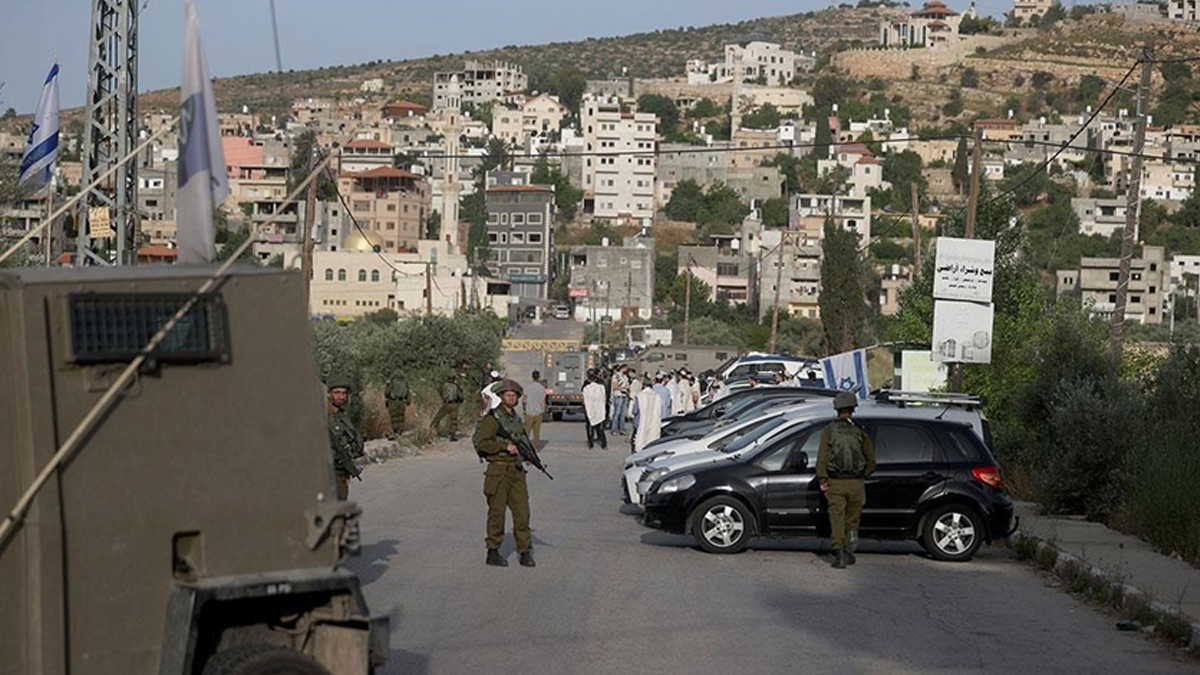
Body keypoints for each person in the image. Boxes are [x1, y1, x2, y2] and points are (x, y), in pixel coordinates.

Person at [473, 379, 536, 568]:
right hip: (498, 470)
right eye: (508, 395)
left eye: (514, 395)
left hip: (516, 471)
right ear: (501, 397)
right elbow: (482, 443)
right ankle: (493, 551)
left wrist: (528, 455)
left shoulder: (515, 419)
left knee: (522, 513)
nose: (511, 398)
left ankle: (524, 551)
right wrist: (504, 446)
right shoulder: (492, 419)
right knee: (497, 513)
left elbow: (522, 439)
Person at [816, 391, 877, 569]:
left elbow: (822, 458)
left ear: (837, 409)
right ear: (852, 409)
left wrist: (822, 479)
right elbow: (871, 461)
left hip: (836, 482)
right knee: (852, 520)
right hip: (856, 483)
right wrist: (864, 475)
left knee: (837, 518)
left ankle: (840, 554)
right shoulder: (859, 431)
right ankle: (851, 551)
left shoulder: (829, 431)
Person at [325, 377, 364, 500]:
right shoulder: (322, 414)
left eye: (344, 393)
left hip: (341, 471)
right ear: (329, 394)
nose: (341, 396)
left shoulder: (343, 415)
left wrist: (347, 473)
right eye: (337, 393)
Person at [633, 375, 664, 452]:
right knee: (651, 439)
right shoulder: (657, 396)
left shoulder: (640, 396)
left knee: (639, 441)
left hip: (640, 422)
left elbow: (634, 411)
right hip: (654, 423)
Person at [432, 372, 465, 441]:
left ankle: (431, 430)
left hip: (446, 404)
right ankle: (452, 435)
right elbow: (461, 396)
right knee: (454, 420)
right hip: (454, 405)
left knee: (438, 417)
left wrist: (443, 398)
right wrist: (460, 401)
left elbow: (440, 391)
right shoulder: (456, 386)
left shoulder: (444, 385)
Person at [583, 369, 608, 450]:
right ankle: (604, 444)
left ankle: (590, 444)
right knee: (600, 426)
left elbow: (584, 397)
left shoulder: (586, 386)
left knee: (590, 425)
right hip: (600, 407)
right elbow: (604, 396)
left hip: (589, 407)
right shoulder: (601, 385)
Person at [523, 370, 548, 448]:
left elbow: (524, 400)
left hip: (529, 412)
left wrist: (524, 410)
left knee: (527, 431)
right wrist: (543, 411)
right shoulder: (542, 388)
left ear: (532, 377)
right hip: (538, 413)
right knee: (536, 432)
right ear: (539, 377)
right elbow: (543, 401)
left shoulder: (528, 387)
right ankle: (536, 447)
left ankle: (525, 446)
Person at [385, 371, 410, 439]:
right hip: (402, 402)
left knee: (394, 417)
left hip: (393, 401)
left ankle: (395, 432)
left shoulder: (392, 381)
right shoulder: (405, 382)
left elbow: (387, 393)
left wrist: (387, 386)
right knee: (401, 417)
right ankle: (400, 432)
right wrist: (408, 401)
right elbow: (408, 392)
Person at [610, 365, 631, 436]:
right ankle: (614, 429)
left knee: (623, 414)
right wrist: (623, 388)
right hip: (618, 395)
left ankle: (622, 429)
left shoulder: (625, 377)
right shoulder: (616, 376)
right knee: (617, 413)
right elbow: (615, 387)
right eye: (626, 368)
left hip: (625, 395)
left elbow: (628, 385)